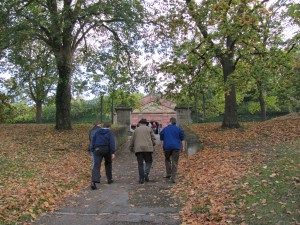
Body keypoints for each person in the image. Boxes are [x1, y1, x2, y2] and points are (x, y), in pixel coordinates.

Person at [129, 118, 156, 184]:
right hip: (148, 148)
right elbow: (153, 138)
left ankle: (141, 179)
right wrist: (153, 144)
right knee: (149, 161)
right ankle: (146, 173)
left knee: (140, 164)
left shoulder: (136, 130)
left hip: (138, 149)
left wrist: (131, 147)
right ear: (146, 123)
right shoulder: (149, 129)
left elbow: (132, 139)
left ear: (140, 123)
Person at [90, 122, 116, 190]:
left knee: (96, 165)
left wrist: (92, 149)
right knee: (108, 163)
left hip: (97, 149)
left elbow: (93, 141)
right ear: (109, 127)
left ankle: (94, 181)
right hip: (106, 149)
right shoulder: (109, 132)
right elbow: (112, 142)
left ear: (103, 126)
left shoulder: (97, 132)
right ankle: (109, 179)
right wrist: (113, 152)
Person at [160, 117, 185, 183]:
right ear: (175, 122)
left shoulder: (165, 129)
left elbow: (162, 139)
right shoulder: (179, 129)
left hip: (167, 147)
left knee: (167, 159)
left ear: (170, 122)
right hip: (176, 147)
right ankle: (173, 177)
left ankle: (169, 173)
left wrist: (162, 147)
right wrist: (183, 148)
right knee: (175, 161)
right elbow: (182, 139)